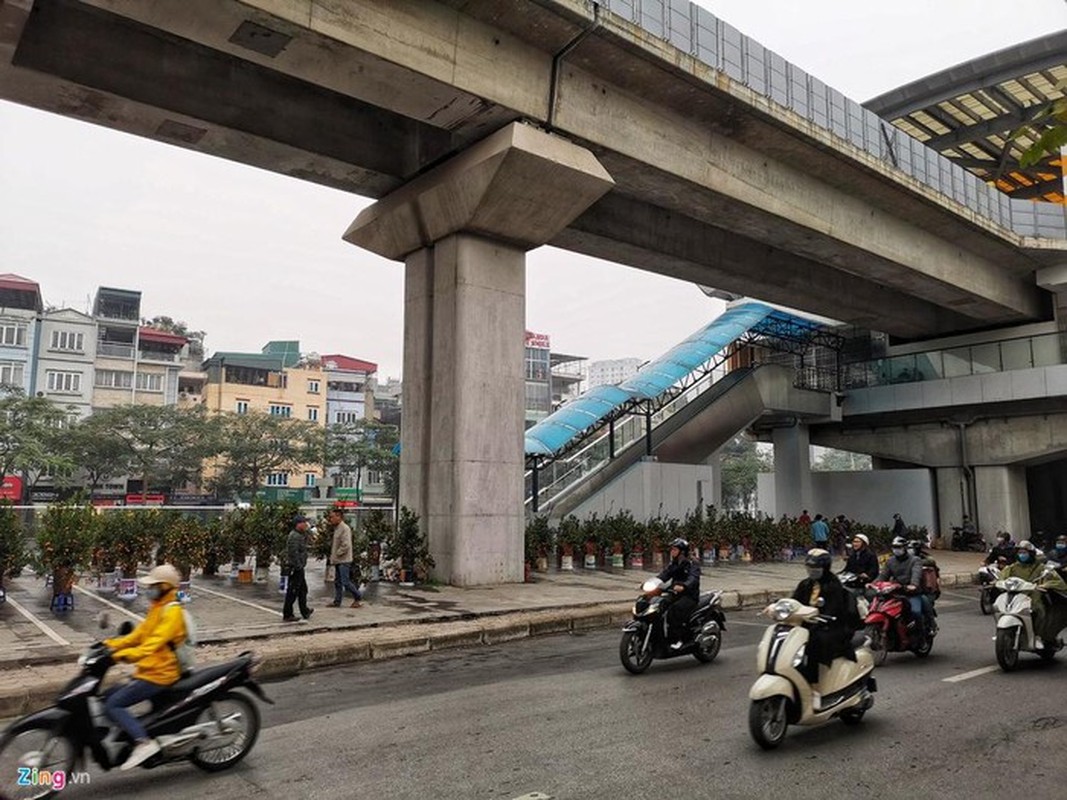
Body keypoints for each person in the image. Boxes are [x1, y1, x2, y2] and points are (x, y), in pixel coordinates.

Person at [102, 564, 188, 770]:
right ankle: (131, 732)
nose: (149, 590)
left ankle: (143, 742)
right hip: (148, 670)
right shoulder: (157, 607)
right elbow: (138, 635)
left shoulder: (172, 612)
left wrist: (125, 656)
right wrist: (108, 645)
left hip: (160, 674)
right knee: (106, 695)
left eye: (154, 586)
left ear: (166, 587)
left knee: (113, 704)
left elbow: (154, 643)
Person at [791, 549, 860, 683]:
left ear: (825, 568)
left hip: (831, 626)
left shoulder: (833, 586)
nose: (812, 570)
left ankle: (814, 682)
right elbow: (795, 601)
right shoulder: (805, 584)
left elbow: (834, 611)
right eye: (810, 567)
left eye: (816, 568)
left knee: (814, 641)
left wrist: (819, 618)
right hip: (808, 623)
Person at [1000, 540, 1067, 646]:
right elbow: (1001, 577)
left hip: (1033, 597)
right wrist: (998, 582)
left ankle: (1039, 635)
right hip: (1015, 596)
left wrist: (1044, 585)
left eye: (1024, 552)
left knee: (1038, 610)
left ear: (1030, 554)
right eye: (1020, 552)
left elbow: (1058, 581)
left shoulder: (1041, 568)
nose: (1022, 555)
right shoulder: (1012, 568)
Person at [656, 537, 701, 648]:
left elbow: (693, 578)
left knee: (674, 611)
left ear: (682, 552)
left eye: (675, 550)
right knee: (658, 605)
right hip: (675, 593)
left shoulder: (692, 563)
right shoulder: (674, 563)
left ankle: (678, 639)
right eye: (672, 549)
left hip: (689, 596)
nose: (672, 552)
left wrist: (684, 586)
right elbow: (665, 574)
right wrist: (653, 582)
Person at [877, 536, 924, 632]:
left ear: (905, 548)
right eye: (894, 547)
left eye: (899, 547)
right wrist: (874, 584)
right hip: (895, 592)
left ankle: (920, 636)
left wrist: (913, 585)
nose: (896, 550)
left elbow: (916, 574)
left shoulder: (915, 560)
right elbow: (883, 576)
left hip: (911, 593)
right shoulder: (890, 561)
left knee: (916, 612)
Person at [328, 507, 363, 608]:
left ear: (339, 517)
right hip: (338, 560)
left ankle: (358, 597)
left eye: (332, 517)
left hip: (344, 560)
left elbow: (346, 545)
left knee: (345, 582)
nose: (331, 519)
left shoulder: (344, 528)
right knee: (337, 582)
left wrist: (338, 554)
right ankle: (337, 601)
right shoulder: (337, 528)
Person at [282, 514, 314, 622]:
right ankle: (288, 614)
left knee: (303, 590)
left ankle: (305, 611)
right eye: (304, 522)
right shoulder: (294, 536)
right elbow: (293, 553)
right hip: (295, 568)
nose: (306, 524)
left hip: (299, 567)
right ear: (298, 524)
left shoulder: (300, 534)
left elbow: (310, 538)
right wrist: (298, 566)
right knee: (293, 591)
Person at [908, 539, 940, 634]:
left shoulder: (927, 560)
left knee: (924, 603)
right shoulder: (902, 560)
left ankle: (931, 625)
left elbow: (929, 562)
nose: (909, 551)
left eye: (911, 549)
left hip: (924, 590)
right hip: (906, 588)